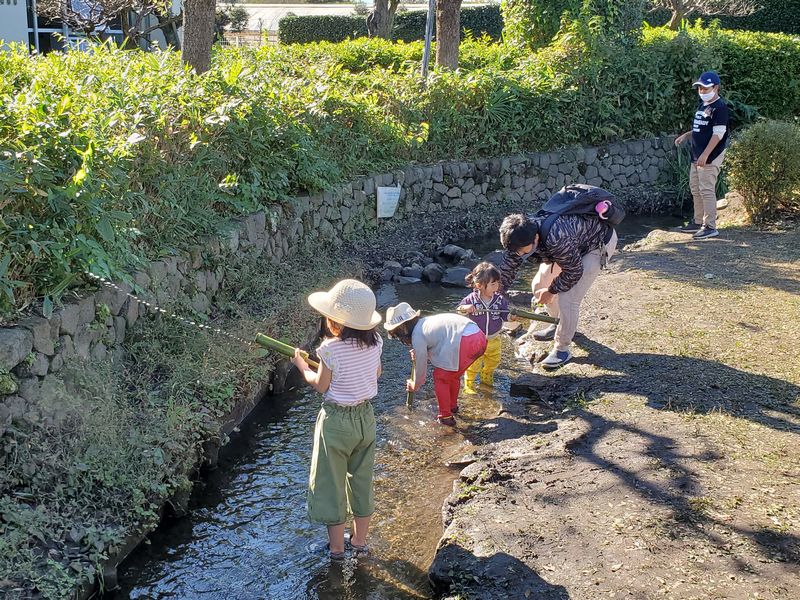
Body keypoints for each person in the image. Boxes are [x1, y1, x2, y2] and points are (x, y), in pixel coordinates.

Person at [291, 279, 382, 560]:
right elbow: (375, 374)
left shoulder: (329, 349)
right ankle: (360, 542)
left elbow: (321, 385)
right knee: (362, 480)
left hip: (337, 421)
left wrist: (302, 366)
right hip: (366, 418)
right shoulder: (376, 342)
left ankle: (337, 549)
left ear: (334, 321)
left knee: (331, 482)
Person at [497, 187, 620, 370]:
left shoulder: (555, 237)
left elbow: (574, 271)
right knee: (538, 284)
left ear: (536, 239)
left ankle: (562, 349)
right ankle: (557, 322)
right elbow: (507, 269)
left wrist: (551, 290)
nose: (518, 255)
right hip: (569, 248)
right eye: (515, 251)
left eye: (522, 251)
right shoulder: (519, 237)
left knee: (568, 298)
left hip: (597, 245)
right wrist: (490, 296)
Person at [384, 302, 486, 427]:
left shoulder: (417, 335)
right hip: (478, 337)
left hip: (465, 341)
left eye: (397, 335)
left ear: (403, 329)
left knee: (440, 377)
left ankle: (445, 417)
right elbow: (441, 342)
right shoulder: (425, 323)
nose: (399, 339)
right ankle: (452, 407)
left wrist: (415, 384)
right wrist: (423, 352)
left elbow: (421, 369)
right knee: (452, 375)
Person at [674, 70, 730, 240]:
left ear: (716, 87)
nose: (702, 92)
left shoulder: (720, 108)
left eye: (706, 88)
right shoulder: (703, 105)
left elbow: (718, 134)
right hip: (697, 154)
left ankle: (710, 226)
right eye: (700, 88)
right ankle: (698, 221)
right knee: (695, 188)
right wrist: (687, 135)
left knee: (706, 189)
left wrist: (706, 154)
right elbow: (701, 127)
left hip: (710, 155)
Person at [456, 262, 513, 393]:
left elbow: (505, 314)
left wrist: (511, 317)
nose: (496, 286)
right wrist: (465, 308)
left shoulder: (499, 300)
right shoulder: (471, 299)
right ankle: (469, 383)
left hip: (493, 338)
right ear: (479, 286)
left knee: (494, 359)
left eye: (497, 283)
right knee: (473, 363)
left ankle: (486, 375)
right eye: (493, 284)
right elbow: (459, 310)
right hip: (475, 339)